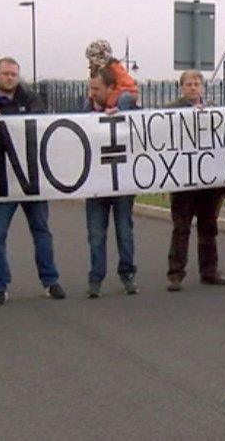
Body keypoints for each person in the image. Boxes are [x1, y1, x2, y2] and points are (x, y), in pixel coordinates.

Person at [0, 57, 65, 304]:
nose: (10, 78)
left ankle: (50, 280)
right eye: (5, 74)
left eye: (14, 74)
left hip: (30, 180)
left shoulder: (31, 100)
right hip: (0, 181)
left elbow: (38, 127)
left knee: (42, 231)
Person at [164, 70, 225, 291]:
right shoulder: (171, 110)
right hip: (184, 180)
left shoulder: (213, 109)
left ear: (202, 87)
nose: (193, 87)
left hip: (209, 180)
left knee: (209, 227)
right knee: (181, 229)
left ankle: (209, 271)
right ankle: (175, 274)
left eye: (196, 84)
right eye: (189, 84)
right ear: (182, 87)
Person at [83, 66, 140, 297]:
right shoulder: (85, 109)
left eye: (96, 89)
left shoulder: (126, 107)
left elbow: (147, 127)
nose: (91, 93)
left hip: (121, 181)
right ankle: (96, 278)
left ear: (110, 89)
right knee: (96, 233)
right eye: (90, 88)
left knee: (124, 230)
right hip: (96, 182)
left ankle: (127, 274)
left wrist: (124, 115)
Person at [85, 39, 139, 109]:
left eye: (91, 61)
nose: (90, 64)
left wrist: (110, 105)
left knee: (123, 99)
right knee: (88, 102)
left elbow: (122, 88)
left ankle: (122, 117)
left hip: (128, 93)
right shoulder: (100, 71)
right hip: (116, 94)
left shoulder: (116, 69)